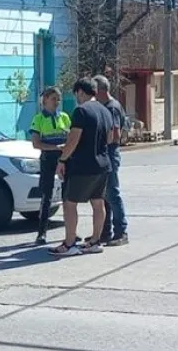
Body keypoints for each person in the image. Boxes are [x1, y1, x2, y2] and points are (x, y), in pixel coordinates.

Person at [49, 77, 113, 257]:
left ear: (80, 92)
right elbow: (109, 138)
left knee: (70, 203)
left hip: (83, 165)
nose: (76, 97)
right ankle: (95, 241)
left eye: (76, 93)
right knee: (98, 202)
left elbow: (74, 139)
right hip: (103, 164)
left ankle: (70, 244)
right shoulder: (105, 110)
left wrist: (62, 160)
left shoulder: (81, 111)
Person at [28, 87, 71, 245]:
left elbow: (71, 137)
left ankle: (70, 232)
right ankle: (41, 233)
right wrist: (55, 147)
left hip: (64, 158)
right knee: (46, 196)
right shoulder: (38, 119)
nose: (57, 102)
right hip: (48, 159)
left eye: (58, 99)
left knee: (68, 196)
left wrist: (64, 148)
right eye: (54, 99)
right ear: (45, 100)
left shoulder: (65, 117)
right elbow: (36, 143)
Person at [93, 75, 129, 246]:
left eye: (94, 90)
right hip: (106, 153)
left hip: (110, 153)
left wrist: (98, 143)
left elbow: (115, 135)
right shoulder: (105, 106)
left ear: (100, 90)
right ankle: (105, 232)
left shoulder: (112, 107)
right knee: (104, 194)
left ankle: (121, 231)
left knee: (112, 193)